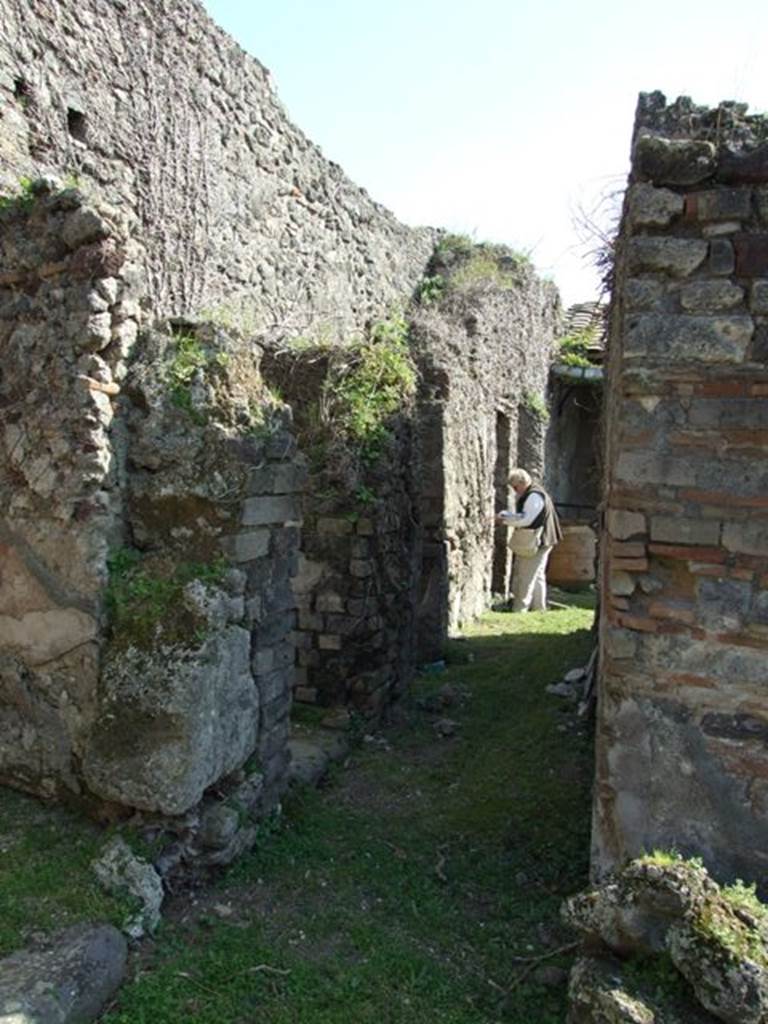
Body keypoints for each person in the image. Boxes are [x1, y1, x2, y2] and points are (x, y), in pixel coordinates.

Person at [495, 468, 562, 612]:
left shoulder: (533, 496)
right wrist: (507, 516)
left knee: (525, 576)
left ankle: (520, 608)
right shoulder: (535, 493)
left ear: (522, 482)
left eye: (515, 487)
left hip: (537, 541)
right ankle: (539, 608)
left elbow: (526, 520)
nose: (515, 491)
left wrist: (504, 520)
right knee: (537, 575)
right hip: (544, 540)